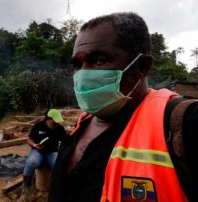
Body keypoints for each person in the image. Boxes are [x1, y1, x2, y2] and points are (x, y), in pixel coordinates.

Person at [49, 12, 198, 202]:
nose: (83, 75)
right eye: (78, 64)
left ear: (142, 67)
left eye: (98, 60)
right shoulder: (84, 121)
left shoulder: (184, 123)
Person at [18, 109, 67, 202]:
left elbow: (65, 142)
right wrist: (34, 145)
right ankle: (25, 191)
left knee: (59, 165)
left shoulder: (59, 128)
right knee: (32, 162)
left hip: (52, 152)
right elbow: (29, 139)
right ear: (48, 119)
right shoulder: (38, 126)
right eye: (54, 121)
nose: (56, 123)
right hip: (37, 151)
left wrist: (62, 149)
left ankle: (57, 191)